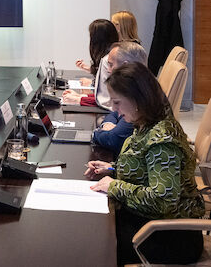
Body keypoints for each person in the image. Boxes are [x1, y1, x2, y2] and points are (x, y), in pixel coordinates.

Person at [85, 63, 204, 265]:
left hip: (171, 235)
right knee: (93, 230)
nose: (114, 109)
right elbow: (146, 168)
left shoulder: (162, 141)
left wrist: (115, 186)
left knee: (95, 244)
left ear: (137, 99)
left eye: (117, 102)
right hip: (152, 223)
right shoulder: (146, 122)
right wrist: (112, 168)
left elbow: (162, 200)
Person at [91, 41, 147, 154]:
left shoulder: (138, 96)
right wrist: (108, 124)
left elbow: (113, 140)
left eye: (111, 65)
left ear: (125, 65)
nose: (108, 70)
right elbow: (114, 113)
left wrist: (96, 133)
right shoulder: (140, 86)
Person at [64, 19, 119, 109]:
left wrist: (80, 99)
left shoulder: (107, 60)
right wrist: (82, 96)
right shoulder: (113, 55)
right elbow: (104, 96)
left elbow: (107, 102)